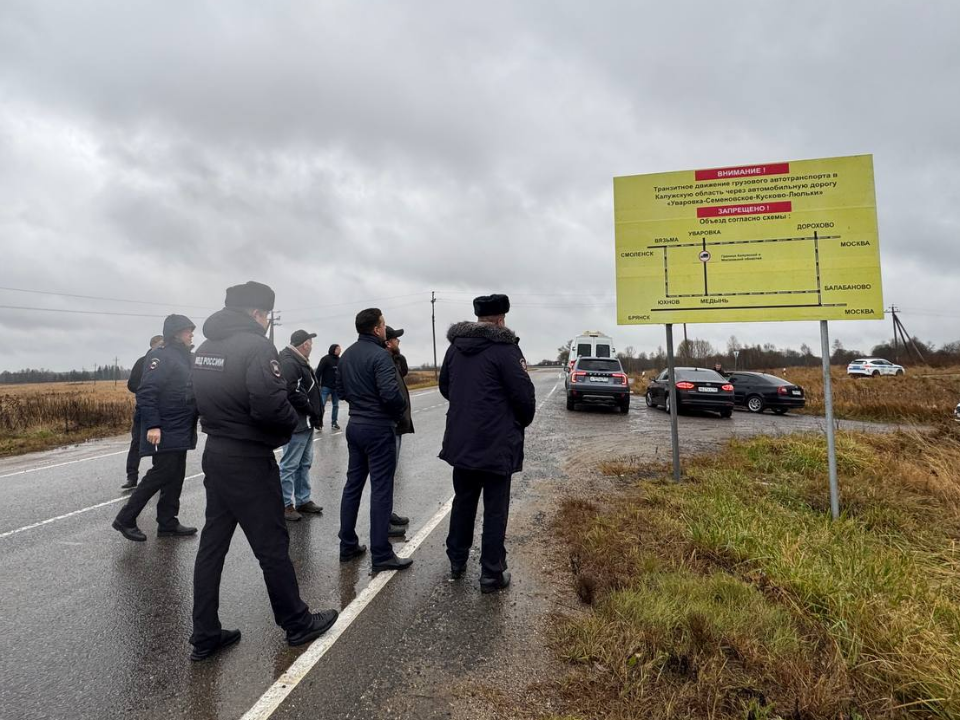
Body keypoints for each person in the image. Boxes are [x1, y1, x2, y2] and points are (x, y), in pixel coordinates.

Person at [189, 281, 337, 661]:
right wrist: (289, 424)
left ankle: (204, 633)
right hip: (248, 459)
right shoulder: (257, 346)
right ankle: (297, 622)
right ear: (256, 313)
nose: (268, 321)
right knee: (272, 545)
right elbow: (271, 404)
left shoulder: (204, 349)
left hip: (216, 453)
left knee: (212, 546)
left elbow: (197, 399)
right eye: (266, 315)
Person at [440, 294, 535, 593]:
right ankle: (491, 573)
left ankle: (457, 561)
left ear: (478, 317)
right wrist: (516, 420)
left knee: (463, 501)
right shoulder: (505, 349)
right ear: (501, 318)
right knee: (495, 508)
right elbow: (524, 399)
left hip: (462, 443)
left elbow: (446, 387)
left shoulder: (455, 348)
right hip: (496, 443)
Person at [336, 308, 410, 571]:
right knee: (381, 489)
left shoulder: (346, 356)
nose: (384, 328)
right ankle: (381, 554)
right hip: (378, 427)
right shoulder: (380, 356)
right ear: (377, 329)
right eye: (383, 324)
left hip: (355, 424)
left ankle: (347, 545)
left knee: (353, 485)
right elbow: (391, 395)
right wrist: (397, 410)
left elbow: (341, 390)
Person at [112, 316, 198, 541]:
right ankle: (125, 519)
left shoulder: (185, 357)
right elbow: (146, 392)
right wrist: (153, 425)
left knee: (176, 475)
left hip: (181, 426)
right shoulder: (161, 357)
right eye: (188, 331)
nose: (192, 334)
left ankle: (168, 522)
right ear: (176, 333)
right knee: (161, 473)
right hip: (165, 426)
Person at [278, 329, 324, 521]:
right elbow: (293, 392)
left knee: (304, 463)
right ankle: (285, 505)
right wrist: (312, 409)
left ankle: (303, 500)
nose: (311, 346)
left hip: (305, 422)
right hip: (296, 422)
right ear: (304, 344)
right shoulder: (290, 362)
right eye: (310, 343)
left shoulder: (299, 361)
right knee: (289, 465)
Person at [121, 335, 164, 490]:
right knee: (137, 442)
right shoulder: (142, 362)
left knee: (159, 443)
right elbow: (131, 384)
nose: (162, 347)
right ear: (152, 345)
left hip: (160, 409)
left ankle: (157, 475)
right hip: (142, 408)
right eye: (160, 344)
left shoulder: (164, 361)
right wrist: (146, 389)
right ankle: (131, 477)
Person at [385, 326, 412, 529]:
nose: (398, 343)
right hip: (390, 426)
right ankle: (383, 521)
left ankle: (387, 512)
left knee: (390, 473)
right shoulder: (382, 361)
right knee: (386, 474)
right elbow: (388, 394)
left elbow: (403, 373)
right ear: (388, 342)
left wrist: (399, 358)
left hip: (397, 425)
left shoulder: (392, 360)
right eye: (396, 340)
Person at [315, 344, 341, 430]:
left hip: (336, 387)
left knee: (336, 405)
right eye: (337, 348)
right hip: (326, 387)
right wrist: (316, 384)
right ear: (333, 349)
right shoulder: (325, 359)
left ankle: (334, 423)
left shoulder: (340, 360)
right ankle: (318, 423)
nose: (340, 350)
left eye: (340, 348)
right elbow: (318, 372)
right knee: (322, 405)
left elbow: (342, 374)